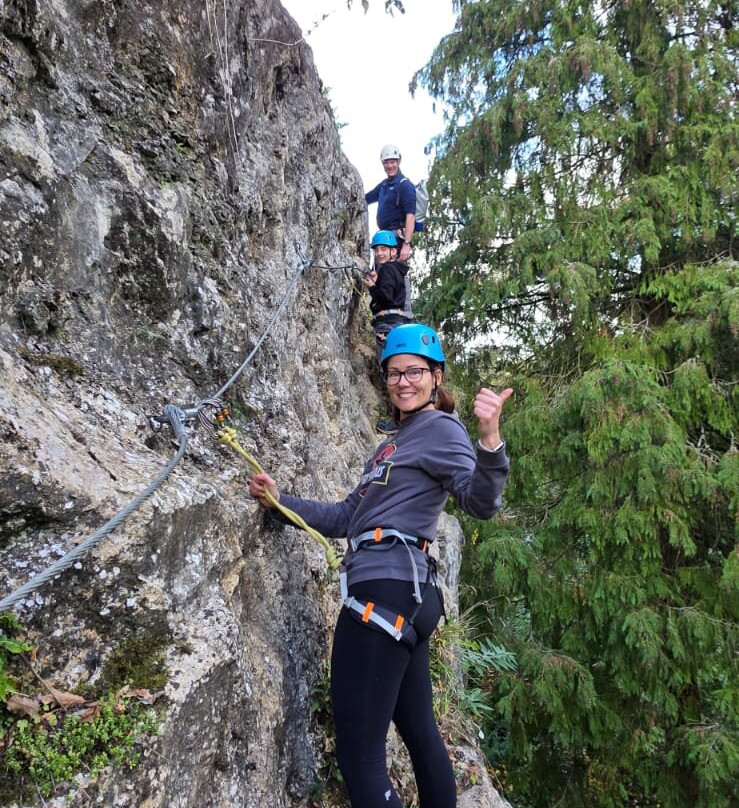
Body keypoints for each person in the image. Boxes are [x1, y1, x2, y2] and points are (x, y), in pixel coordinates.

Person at [248, 323, 512, 808]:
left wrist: (490, 441)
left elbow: (479, 502)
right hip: (405, 594)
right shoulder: (392, 445)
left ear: (436, 377)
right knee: (419, 730)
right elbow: (348, 517)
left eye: (414, 371)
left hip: (384, 588)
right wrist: (281, 502)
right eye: (393, 373)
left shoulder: (440, 428)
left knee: (361, 758)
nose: (403, 382)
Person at [363, 230, 413, 435]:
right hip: (396, 322)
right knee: (399, 369)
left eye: (384, 249)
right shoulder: (395, 270)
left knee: (391, 371)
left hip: (388, 324)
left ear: (393, 251)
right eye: (377, 250)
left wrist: (373, 288)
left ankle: (399, 420)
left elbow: (387, 297)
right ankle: (405, 416)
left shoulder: (390, 270)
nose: (379, 254)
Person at [365, 144, 416, 264]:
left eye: (393, 162)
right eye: (386, 163)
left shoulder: (405, 185)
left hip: (397, 239)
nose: (390, 166)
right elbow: (365, 199)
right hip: (384, 238)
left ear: (399, 162)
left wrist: (406, 244)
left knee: (393, 274)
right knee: (382, 276)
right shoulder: (384, 185)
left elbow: (411, 216)